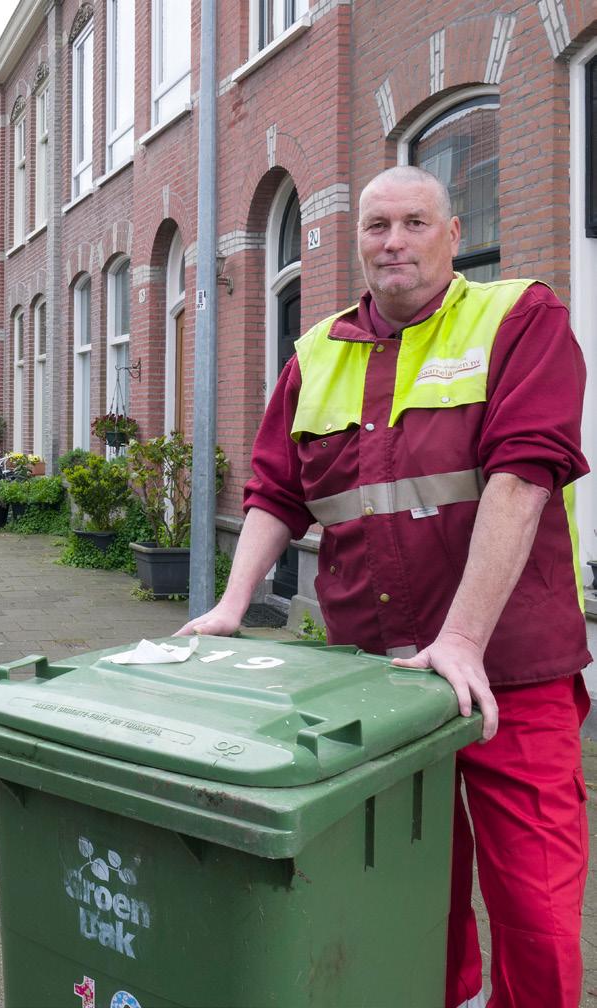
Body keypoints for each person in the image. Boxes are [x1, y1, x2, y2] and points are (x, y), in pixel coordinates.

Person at [178, 166, 590, 1008]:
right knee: (410, 903)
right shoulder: (316, 352)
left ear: (450, 233)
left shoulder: (519, 319)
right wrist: (230, 603)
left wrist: (464, 638)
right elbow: (274, 493)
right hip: (375, 685)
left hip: (510, 672)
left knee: (537, 915)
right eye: (375, 227)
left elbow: (521, 478)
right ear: (355, 242)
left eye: (412, 223)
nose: (393, 241)